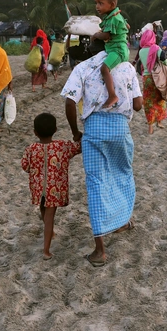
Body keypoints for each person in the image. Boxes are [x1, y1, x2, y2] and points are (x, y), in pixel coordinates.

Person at [61, 40, 143, 267]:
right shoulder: (127, 67)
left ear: (90, 48)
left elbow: (69, 101)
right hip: (120, 130)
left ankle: (100, 250)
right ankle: (122, 221)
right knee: (122, 175)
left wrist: (75, 131)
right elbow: (137, 105)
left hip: (94, 131)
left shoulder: (83, 67)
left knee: (96, 183)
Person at [21, 113, 82, 260]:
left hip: (38, 188)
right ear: (55, 129)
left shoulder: (31, 148)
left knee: (43, 208)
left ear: (35, 132)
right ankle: (46, 251)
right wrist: (79, 136)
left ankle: (51, 233)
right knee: (49, 217)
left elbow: (25, 166)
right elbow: (78, 148)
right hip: (54, 190)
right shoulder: (62, 146)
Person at [90, 0, 129, 109]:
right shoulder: (114, 16)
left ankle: (112, 95)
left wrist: (96, 35)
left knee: (104, 69)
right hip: (113, 48)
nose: (97, 7)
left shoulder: (113, 18)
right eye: (96, 3)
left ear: (112, 4)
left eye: (101, 3)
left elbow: (106, 35)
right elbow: (127, 25)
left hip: (117, 50)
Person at [137, 29, 167, 134]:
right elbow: (164, 60)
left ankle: (150, 126)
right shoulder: (156, 48)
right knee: (160, 98)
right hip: (157, 77)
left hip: (146, 78)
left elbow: (141, 64)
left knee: (149, 101)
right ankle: (159, 121)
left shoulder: (141, 51)